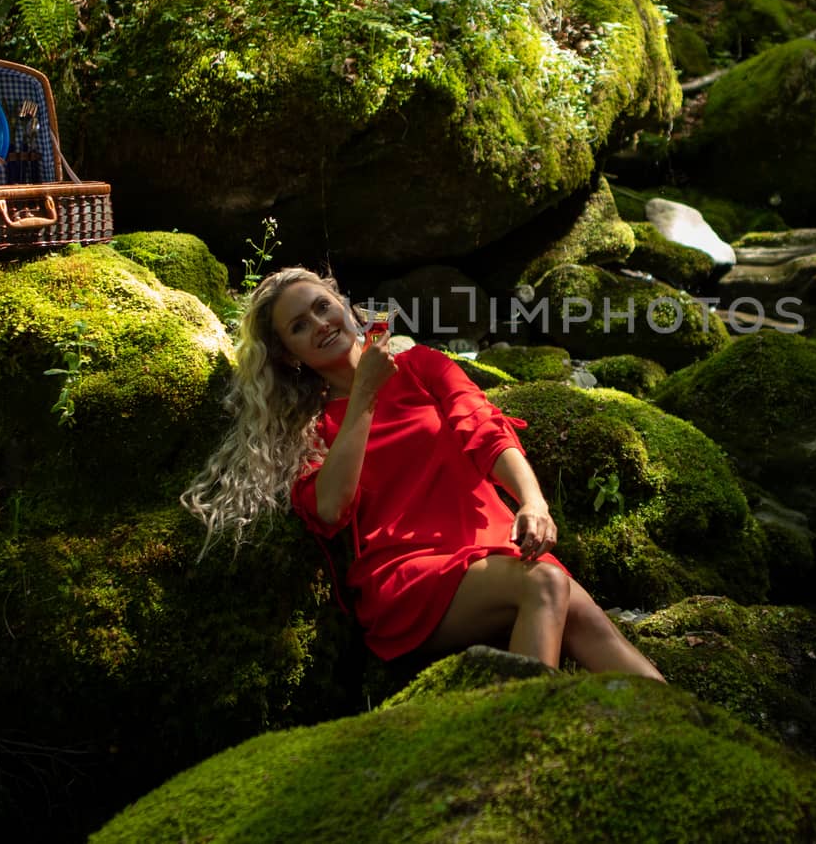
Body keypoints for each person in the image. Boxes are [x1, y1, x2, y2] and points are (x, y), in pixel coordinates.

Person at [182, 266, 663, 679]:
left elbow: (484, 429)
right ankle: (525, 753)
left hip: (495, 544)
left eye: (323, 307)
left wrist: (533, 502)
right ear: (290, 356)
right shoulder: (307, 427)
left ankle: (696, 744)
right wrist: (365, 393)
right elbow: (331, 507)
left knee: (598, 631)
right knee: (545, 584)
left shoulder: (422, 366)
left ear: (344, 305)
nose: (320, 325)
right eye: (300, 326)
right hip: (411, 574)